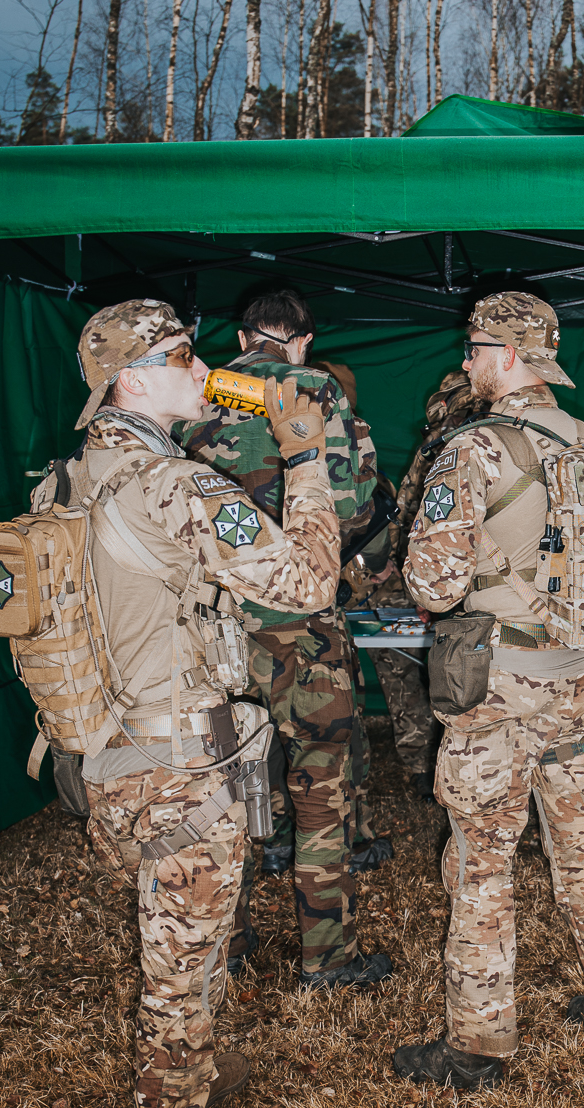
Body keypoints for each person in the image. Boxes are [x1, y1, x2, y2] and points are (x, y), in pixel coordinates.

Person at [44, 299, 340, 1108]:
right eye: (180, 355)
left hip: (106, 755)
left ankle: (194, 1066)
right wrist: (306, 457)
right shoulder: (177, 485)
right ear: (131, 381)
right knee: (177, 965)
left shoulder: (71, 477)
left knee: (187, 942)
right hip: (175, 770)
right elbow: (306, 581)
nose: (199, 365)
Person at [390, 292, 584, 1090]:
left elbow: (432, 583)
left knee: (481, 860)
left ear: (505, 355)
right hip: (579, 680)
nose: (463, 362)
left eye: (472, 348)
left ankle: (479, 1046)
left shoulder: (474, 450)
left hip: (499, 688)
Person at [176, 288, 394, 992]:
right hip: (302, 628)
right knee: (320, 789)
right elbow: (359, 503)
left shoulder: (200, 397)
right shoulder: (318, 393)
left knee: (221, 792)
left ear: (244, 339)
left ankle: (228, 946)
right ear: (302, 341)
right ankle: (326, 958)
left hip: (216, 629)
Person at [346, 371, 485, 800]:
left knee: (404, 672)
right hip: (450, 588)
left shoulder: (452, 445)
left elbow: (410, 514)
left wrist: (394, 566)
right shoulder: (483, 439)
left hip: (435, 583)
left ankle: (425, 766)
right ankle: (438, 766)